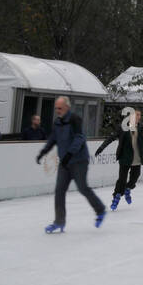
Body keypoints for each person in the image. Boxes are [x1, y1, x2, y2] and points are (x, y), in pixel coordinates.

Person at [36, 95, 107, 232]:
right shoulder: (57, 122)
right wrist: (43, 152)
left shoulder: (74, 119)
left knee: (82, 188)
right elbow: (53, 139)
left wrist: (69, 154)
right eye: (56, 108)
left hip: (79, 160)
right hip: (65, 162)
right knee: (59, 191)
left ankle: (100, 210)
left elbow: (80, 138)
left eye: (60, 108)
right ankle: (59, 221)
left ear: (67, 107)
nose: (57, 110)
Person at [95, 108, 143, 210]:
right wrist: (101, 147)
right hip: (125, 157)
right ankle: (116, 197)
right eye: (136, 114)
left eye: (139, 115)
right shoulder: (123, 127)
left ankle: (128, 188)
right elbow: (111, 138)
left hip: (137, 158)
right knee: (122, 180)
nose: (138, 117)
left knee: (135, 177)